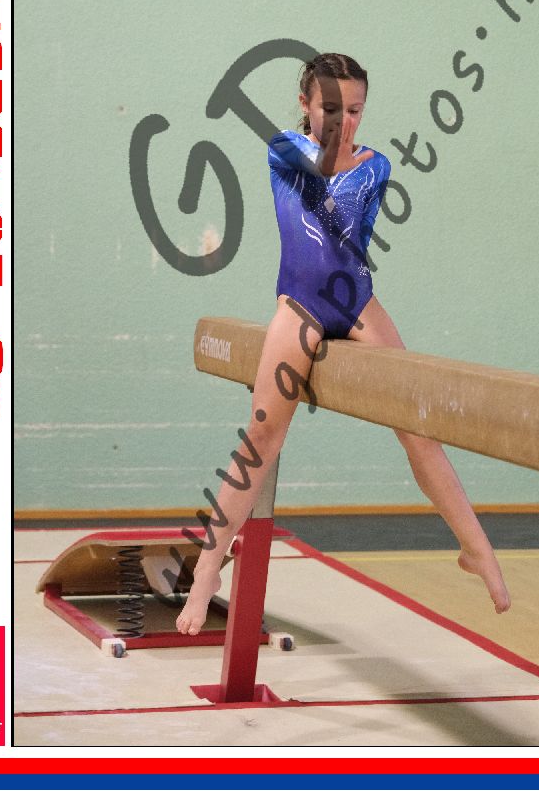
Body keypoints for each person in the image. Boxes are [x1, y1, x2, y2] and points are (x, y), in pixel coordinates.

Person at [175, 53, 510, 635]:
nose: (344, 121)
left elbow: (344, 229)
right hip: (301, 304)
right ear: (305, 105)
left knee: (418, 427)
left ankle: (475, 547)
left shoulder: (377, 166)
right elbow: (319, 176)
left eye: (355, 110)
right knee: (262, 435)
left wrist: (348, 150)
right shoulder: (283, 149)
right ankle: (207, 568)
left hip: (355, 302)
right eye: (331, 108)